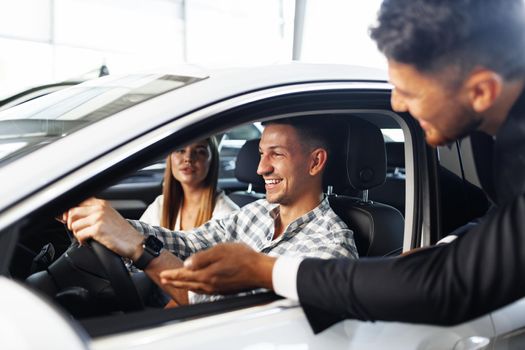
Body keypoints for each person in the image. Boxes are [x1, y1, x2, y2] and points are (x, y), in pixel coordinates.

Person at [159, 0, 525, 333]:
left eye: (410, 93)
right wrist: (447, 247)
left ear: (481, 91)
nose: (397, 105)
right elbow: (505, 220)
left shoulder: (331, 238)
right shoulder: (490, 131)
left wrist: (263, 269)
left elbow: (448, 288)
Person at [64, 118, 359, 305]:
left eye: (277, 154)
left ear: (316, 162)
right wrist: (111, 225)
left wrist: (139, 249)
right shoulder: (255, 213)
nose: (261, 168)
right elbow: (189, 243)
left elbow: (219, 308)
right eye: (260, 154)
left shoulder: (330, 250)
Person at [140, 137, 238, 230]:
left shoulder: (227, 214)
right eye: (180, 150)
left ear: (212, 162)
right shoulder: (160, 205)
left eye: (200, 152)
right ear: (170, 159)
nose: (188, 158)